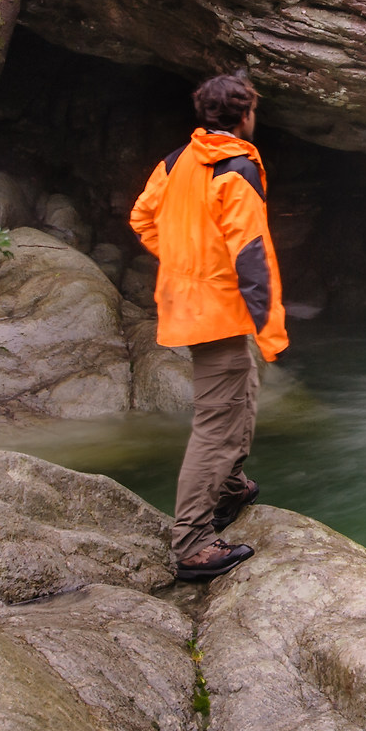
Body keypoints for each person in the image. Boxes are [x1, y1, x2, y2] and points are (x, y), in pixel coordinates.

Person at [129, 70, 288, 582]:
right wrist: (272, 332)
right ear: (245, 115)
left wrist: (185, 265)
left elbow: (142, 218)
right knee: (216, 425)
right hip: (215, 309)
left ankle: (231, 487)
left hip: (190, 303)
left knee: (242, 389)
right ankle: (193, 541)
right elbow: (252, 255)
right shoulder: (236, 169)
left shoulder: (176, 161)